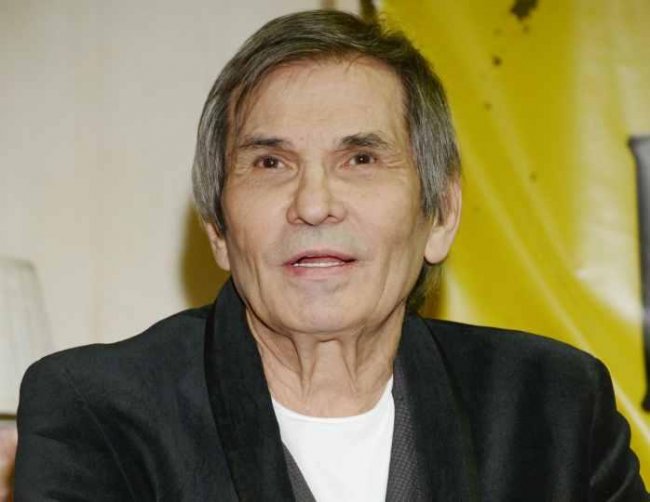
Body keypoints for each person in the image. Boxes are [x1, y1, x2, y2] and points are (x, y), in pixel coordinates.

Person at [13, 9, 647, 501]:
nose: (313, 204)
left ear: (441, 214)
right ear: (218, 228)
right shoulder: (99, 414)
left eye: (361, 159)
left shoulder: (553, 408)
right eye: (271, 163)